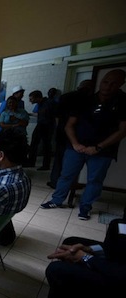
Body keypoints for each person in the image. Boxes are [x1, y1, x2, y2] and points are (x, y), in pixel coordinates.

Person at [40, 69, 126, 220]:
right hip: (76, 147)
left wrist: (98, 147)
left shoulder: (123, 102)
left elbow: (122, 130)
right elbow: (69, 125)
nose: (108, 86)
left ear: (121, 84)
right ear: (101, 81)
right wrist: (75, 143)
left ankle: (85, 208)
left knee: (95, 180)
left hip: (102, 151)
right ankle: (56, 200)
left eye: (113, 84)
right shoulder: (85, 100)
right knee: (66, 175)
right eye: (105, 82)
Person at [43, 213, 126, 298]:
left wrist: (86, 258)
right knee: (70, 243)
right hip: (117, 258)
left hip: (120, 278)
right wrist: (90, 250)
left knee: (57, 270)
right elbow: (119, 242)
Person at [47, 80, 94, 189]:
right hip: (77, 135)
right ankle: (70, 184)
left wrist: (60, 129)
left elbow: (57, 117)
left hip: (63, 132)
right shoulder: (88, 99)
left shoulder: (65, 97)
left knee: (60, 159)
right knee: (73, 162)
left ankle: (55, 182)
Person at [27, 90, 57, 170]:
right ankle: (31, 162)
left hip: (47, 126)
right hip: (40, 124)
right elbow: (40, 114)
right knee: (34, 143)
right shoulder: (40, 104)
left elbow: (54, 115)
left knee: (46, 145)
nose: (30, 101)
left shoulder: (49, 103)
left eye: (31, 99)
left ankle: (46, 165)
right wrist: (29, 114)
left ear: (37, 97)